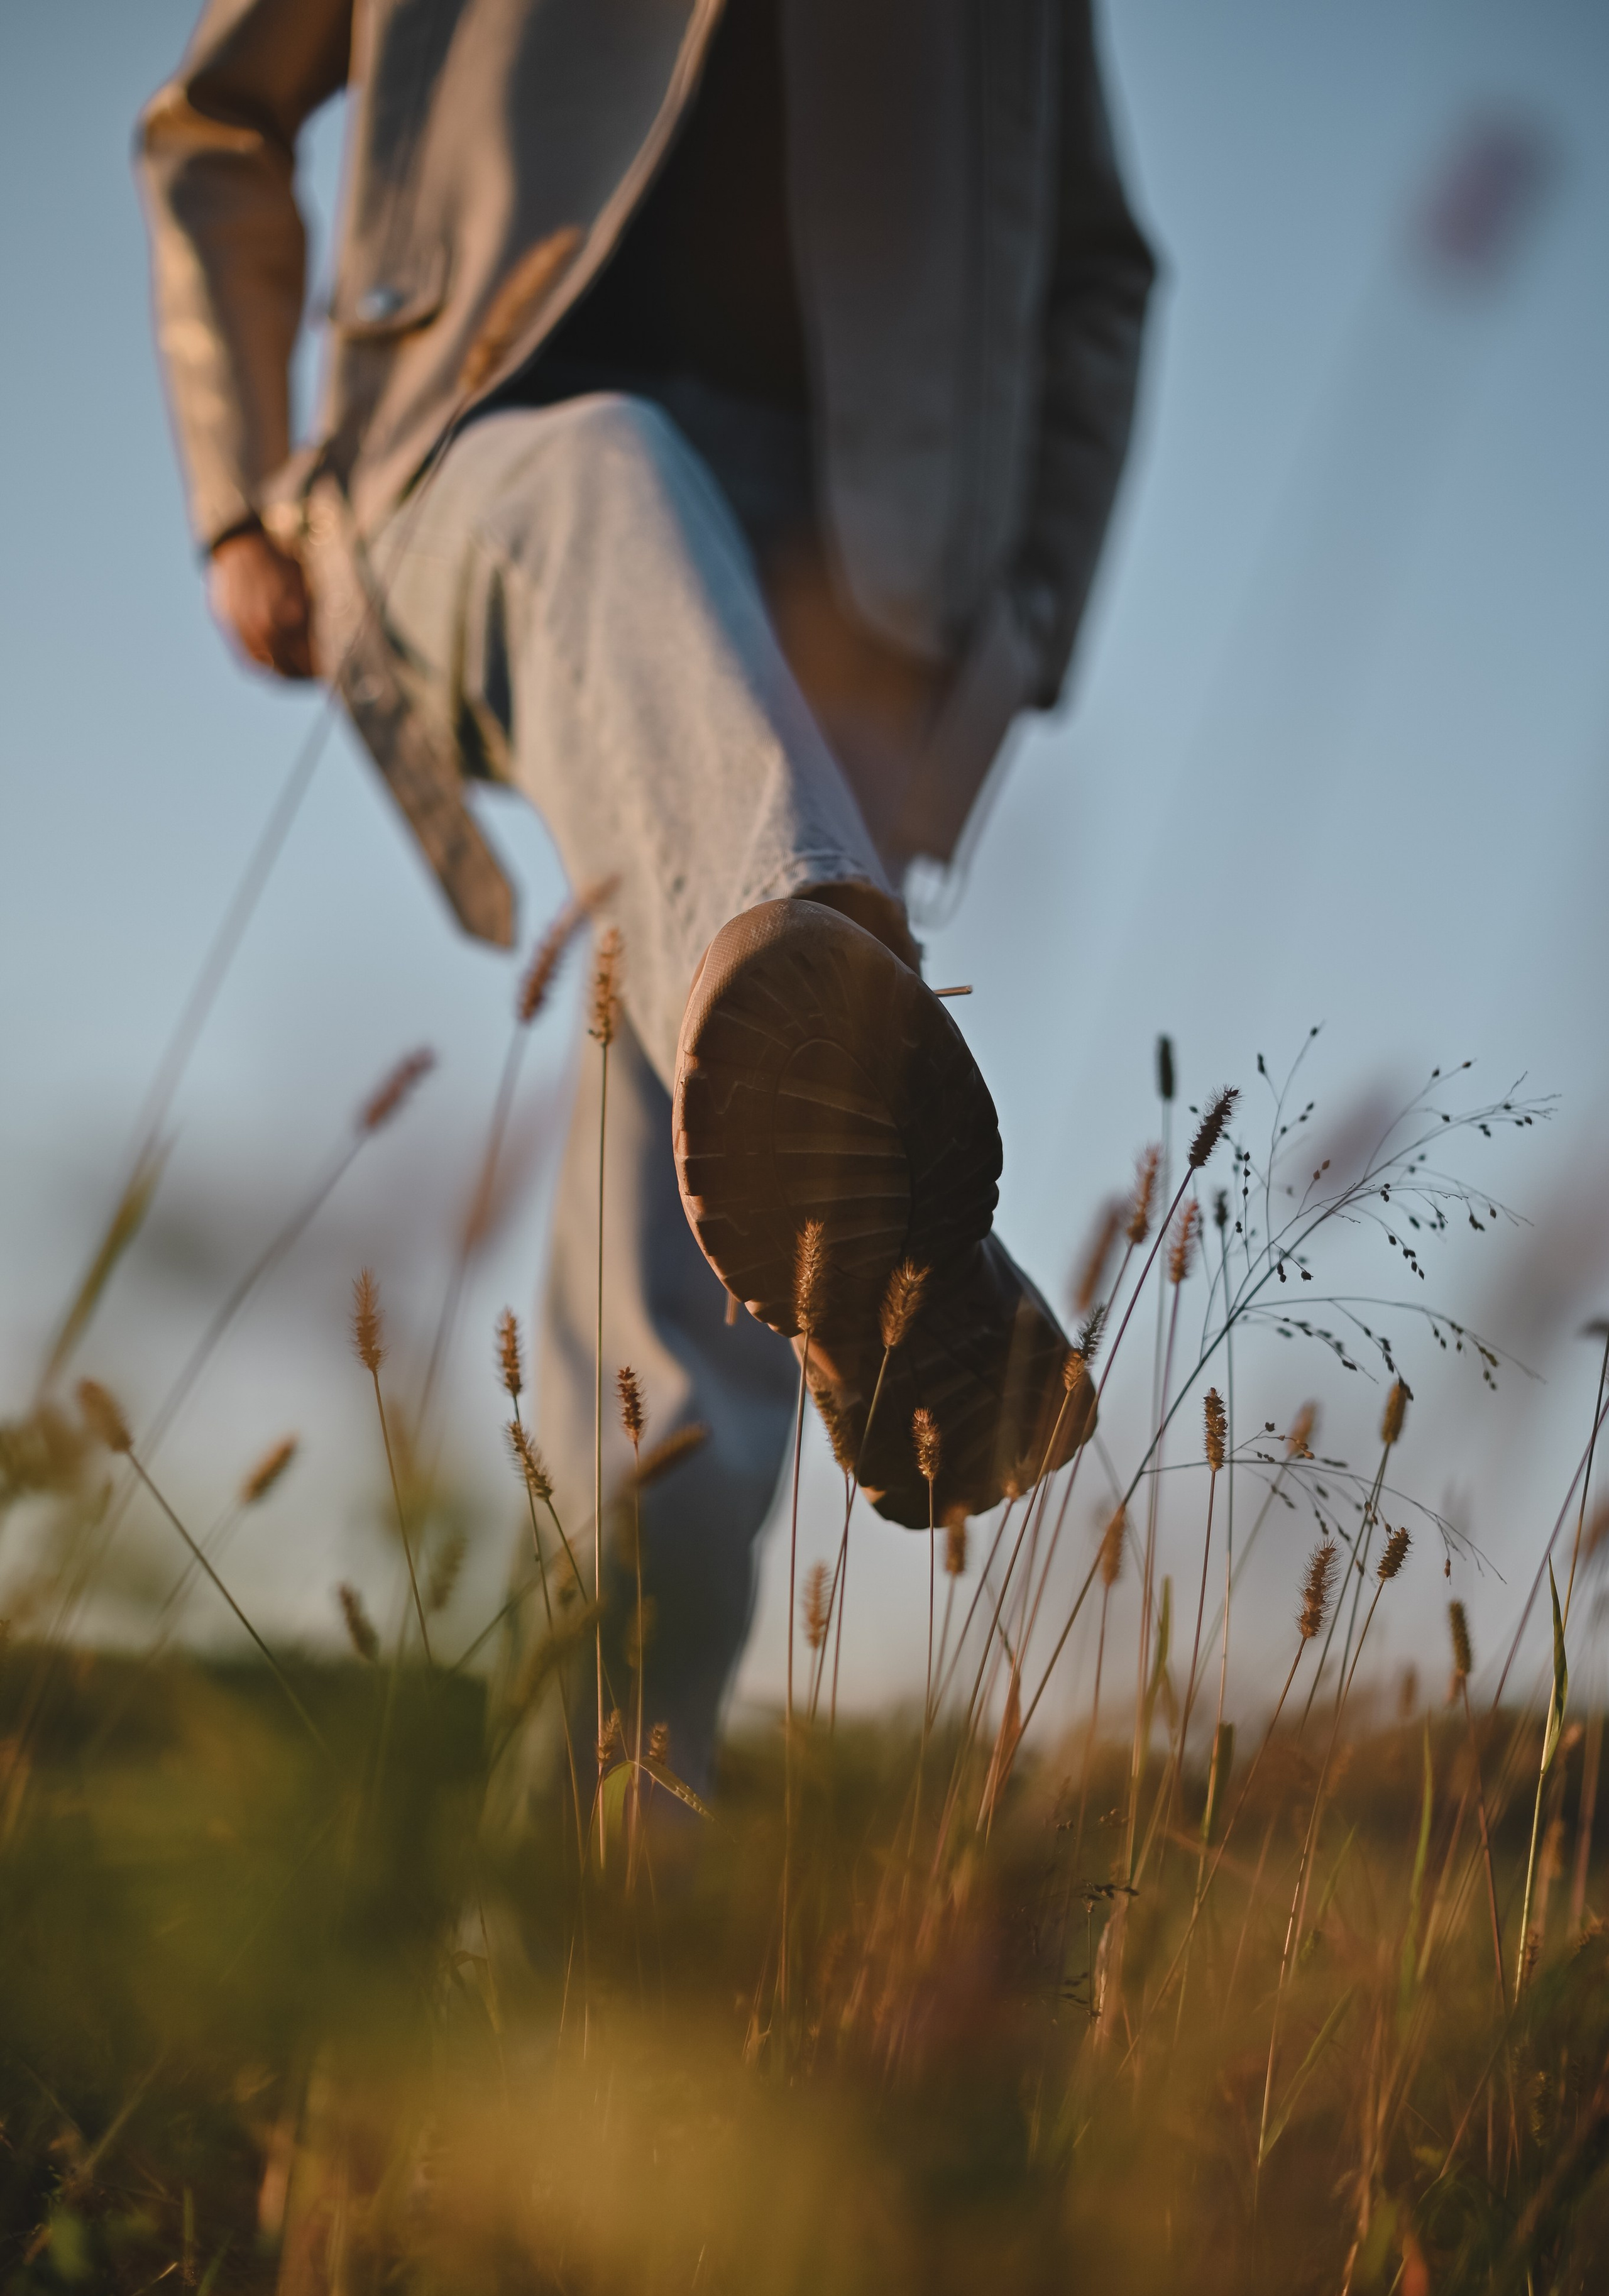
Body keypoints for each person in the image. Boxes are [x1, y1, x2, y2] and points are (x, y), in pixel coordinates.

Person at [137, 0, 1153, 1787]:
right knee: (615, 479)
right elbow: (218, 121)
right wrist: (237, 494)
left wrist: (1021, 626)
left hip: (858, 585)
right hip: (488, 443)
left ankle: (587, 1896)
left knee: (686, 1339)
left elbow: (1094, 272)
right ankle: (900, 1196)